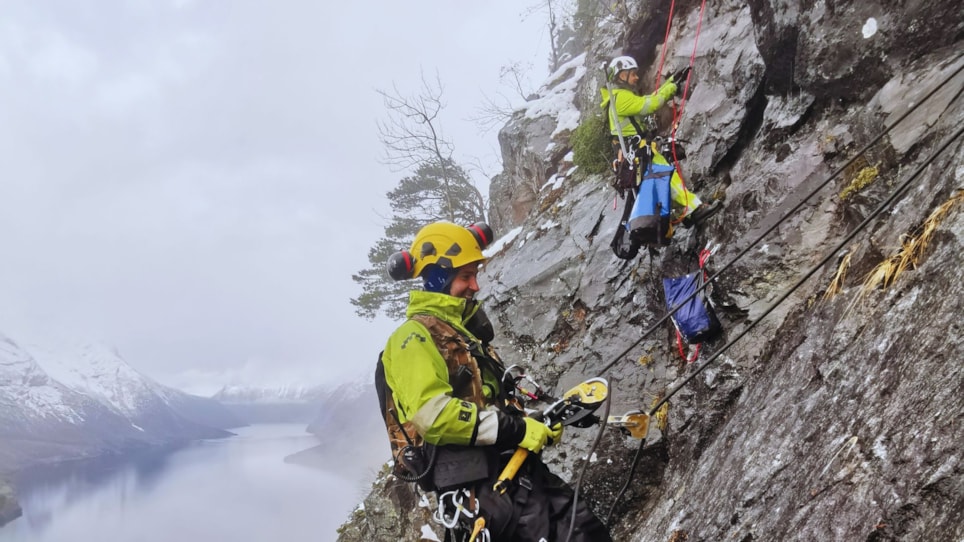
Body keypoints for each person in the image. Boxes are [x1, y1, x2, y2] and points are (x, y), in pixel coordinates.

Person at [378, 221, 612, 542]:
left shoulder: (460, 333)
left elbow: (487, 404)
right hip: (482, 494)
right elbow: (434, 416)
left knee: (588, 532)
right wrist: (517, 430)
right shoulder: (411, 338)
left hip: (513, 479)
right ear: (437, 278)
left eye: (475, 274)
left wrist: (533, 423)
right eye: (465, 276)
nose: (475, 285)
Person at [601, 55, 721, 228]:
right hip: (638, 152)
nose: (636, 77)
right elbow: (649, 105)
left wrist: (671, 81)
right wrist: (671, 88)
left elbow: (648, 100)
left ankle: (686, 211)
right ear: (622, 76)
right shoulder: (619, 98)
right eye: (632, 74)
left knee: (664, 178)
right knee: (667, 176)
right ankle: (693, 210)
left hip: (637, 152)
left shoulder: (620, 97)